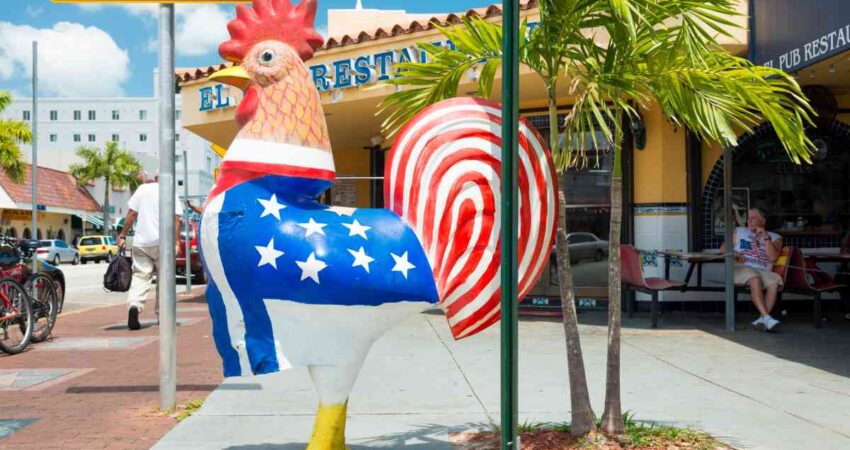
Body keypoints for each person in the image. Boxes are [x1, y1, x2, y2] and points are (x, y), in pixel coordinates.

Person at [116, 175, 183, 330]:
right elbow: (176, 219)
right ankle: (162, 315)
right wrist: (177, 241)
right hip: (164, 243)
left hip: (142, 242)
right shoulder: (171, 191)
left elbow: (131, 214)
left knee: (140, 276)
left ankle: (134, 305)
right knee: (164, 280)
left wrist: (123, 235)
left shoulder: (142, 189)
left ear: (155, 178)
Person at [723, 208, 783, 332]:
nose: (750, 221)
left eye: (753, 218)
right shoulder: (739, 231)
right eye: (748, 218)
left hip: (763, 270)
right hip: (742, 268)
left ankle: (762, 319)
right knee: (755, 278)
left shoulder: (775, 237)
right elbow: (723, 249)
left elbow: (773, 257)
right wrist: (734, 253)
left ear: (763, 220)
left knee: (774, 280)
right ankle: (767, 317)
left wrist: (766, 238)